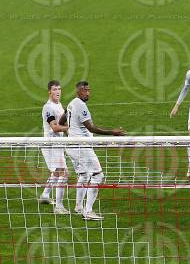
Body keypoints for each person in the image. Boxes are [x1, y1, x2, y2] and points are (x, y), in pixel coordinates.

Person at [64, 81, 126, 221]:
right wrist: (113, 132)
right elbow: (92, 128)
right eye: (85, 90)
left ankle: (79, 207)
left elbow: (63, 120)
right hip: (81, 147)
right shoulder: (80, 105)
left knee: (84, 175)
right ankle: (88, 211)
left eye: (89, 90)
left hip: (71, 145)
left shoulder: (71, 103)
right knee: (98, 175)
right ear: (78, 91)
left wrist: (70, 132)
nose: (88, 93)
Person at [39, 80, 70, 214]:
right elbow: (54, 127)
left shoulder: (59, 105)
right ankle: (59, 207)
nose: (58, 92)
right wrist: (69, 129)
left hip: (57, 143)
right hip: (51, 144)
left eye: (59, 89)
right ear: (49, 92)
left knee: (57, 172)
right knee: (64, 173)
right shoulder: (48, 108)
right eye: (55, 89)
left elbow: (61, 121)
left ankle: (45, 195)